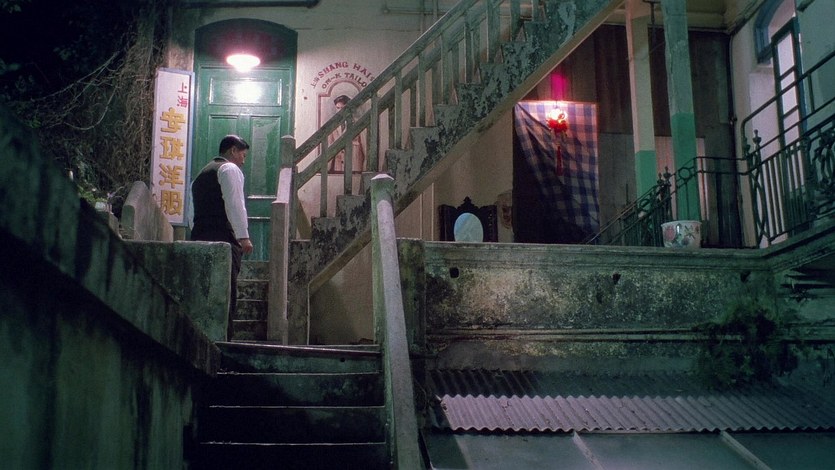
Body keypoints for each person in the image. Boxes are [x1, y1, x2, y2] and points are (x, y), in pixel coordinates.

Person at [189, 135, 254, 341]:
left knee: (202, 290)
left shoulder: (199, 177)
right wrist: (243, 237)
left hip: (198, 238)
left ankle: (200, 338)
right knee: (225, 292)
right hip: (223, 238)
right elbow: (235, 204)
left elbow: (191, 213)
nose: (243, 161)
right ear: (233, 150)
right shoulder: (229, 169)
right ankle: (223, 341)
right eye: (243, 155)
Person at [328, 94, 366, 173]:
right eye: (337, 108)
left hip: (354, 167)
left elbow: (365, 148)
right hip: (338, 168)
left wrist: (365, 170)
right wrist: (327, 169)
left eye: (343, 108)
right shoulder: (333, 126)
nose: (340, 111)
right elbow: (329, 149)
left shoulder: (358, 123)